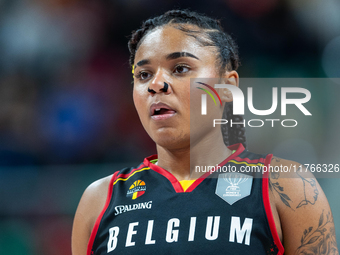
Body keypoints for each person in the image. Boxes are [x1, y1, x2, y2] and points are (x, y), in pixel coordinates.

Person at [72, 10, 339, 255]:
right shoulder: (99, 200)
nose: (156, 84)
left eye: (180, 68)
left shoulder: (285, 186)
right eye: (143, 74)